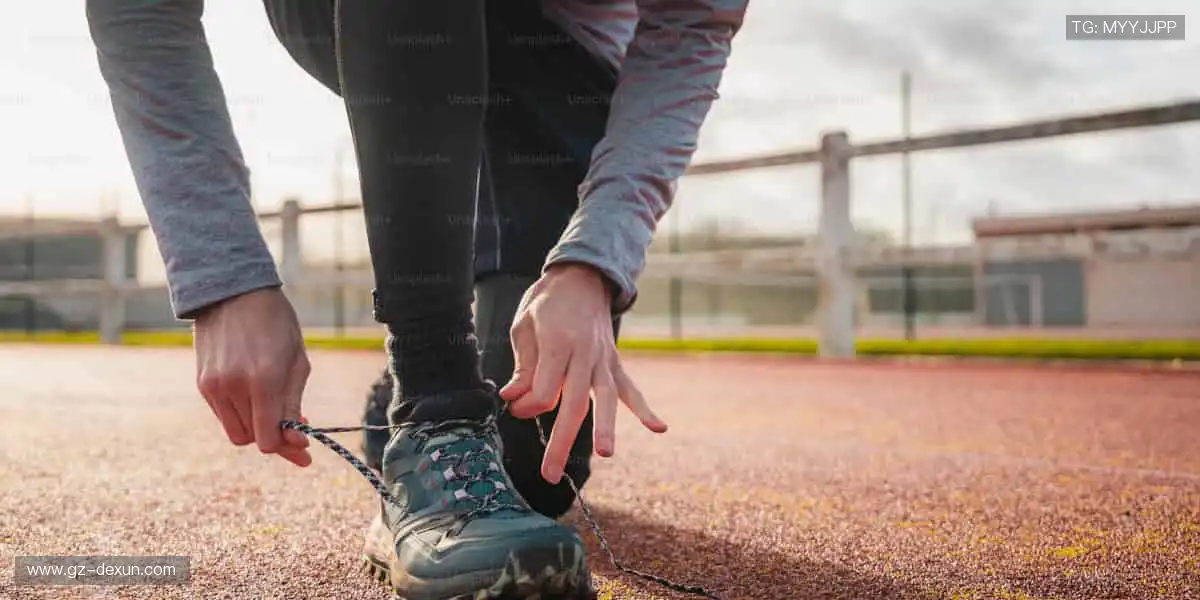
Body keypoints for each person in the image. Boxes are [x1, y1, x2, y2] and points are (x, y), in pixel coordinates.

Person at [86, 1, 746, 598]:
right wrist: (225, 279)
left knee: (530, 473)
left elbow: (690, 32)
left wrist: (592, 262)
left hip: (557, 74)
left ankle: (425, 386)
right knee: (470, 452)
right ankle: (434, 402)